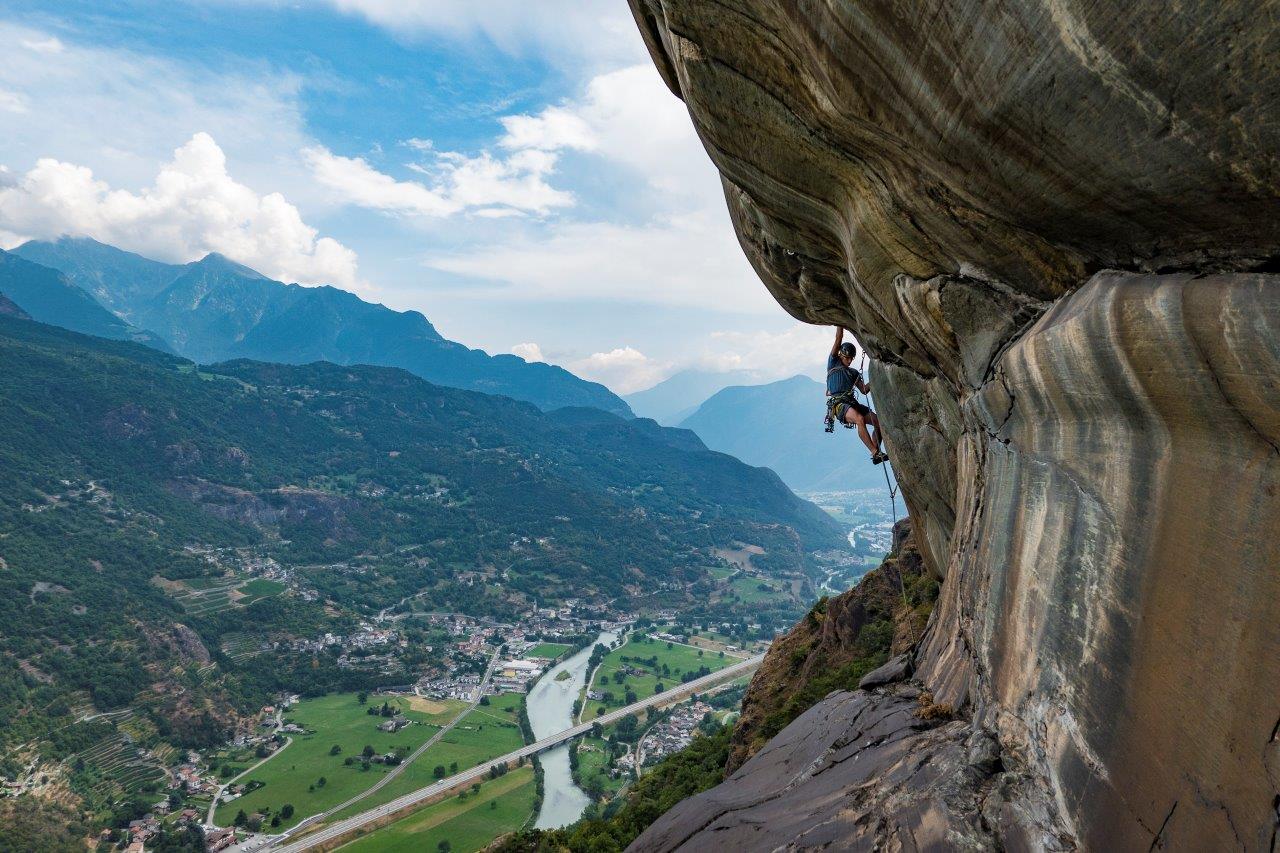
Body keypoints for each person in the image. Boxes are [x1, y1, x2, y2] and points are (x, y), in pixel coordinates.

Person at [826, 328, 887, 464]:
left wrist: (877, 376)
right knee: (859, 419)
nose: (849, 361)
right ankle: (874, 451)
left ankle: (876, 452)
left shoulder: (853, 373)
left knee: (880, 423)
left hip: (852, 403)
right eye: (847, 358)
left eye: (851, 358)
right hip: (839, 405)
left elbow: (864, 390)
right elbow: (838, 339)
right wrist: (839, 325)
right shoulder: (833, 363)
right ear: (841, 355)